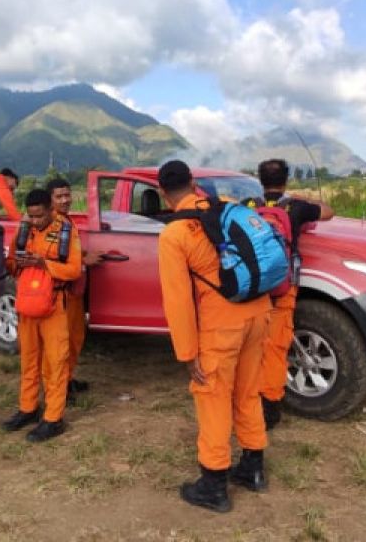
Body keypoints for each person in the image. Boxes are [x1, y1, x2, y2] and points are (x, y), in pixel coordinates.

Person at [157, 160, 272, 512]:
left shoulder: (174, 235)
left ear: (162, 193)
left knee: (213, 397)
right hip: (258, 311)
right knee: (248, 391)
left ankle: (213, 483)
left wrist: (187, 353)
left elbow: (177, 300)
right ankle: (253, 468)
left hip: (221, 326)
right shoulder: (223, 207)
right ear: (194, 183)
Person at [253, 159, 334, 430]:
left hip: (252, 290)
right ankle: (270, 407)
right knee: (276, 347)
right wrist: (301, 199)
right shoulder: (295, 208)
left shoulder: (248, 206)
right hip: (282, 289)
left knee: (251, 346)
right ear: (286, 180)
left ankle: (246, 398)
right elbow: (328, 212)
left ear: (259, 180)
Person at [0, 188, 82, 442]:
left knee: (56, 361)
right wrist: (17, 262)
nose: (35, 220)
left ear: (50, 209)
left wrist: (43, 264)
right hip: (26, 304)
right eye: (31, 216)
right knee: (29, 358)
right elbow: (11, 263)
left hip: (54, 304)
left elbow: (73, 271)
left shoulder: (66, 232)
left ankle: (53, 418)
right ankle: (28, 408)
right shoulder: (24, 231)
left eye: (39, 216)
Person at [47, 177, 101, 398]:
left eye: (67, 195)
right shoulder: (51, 225)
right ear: (50, 200)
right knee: (61, 343)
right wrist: (83, 262)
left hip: (74, 291)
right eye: (59, 196)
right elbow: (51, 259)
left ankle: (67, 379)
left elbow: (69, 251)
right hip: (61, 292)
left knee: (75, 337)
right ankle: (59, 387)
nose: (65, 200)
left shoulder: (67, 222)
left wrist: (86, 255)